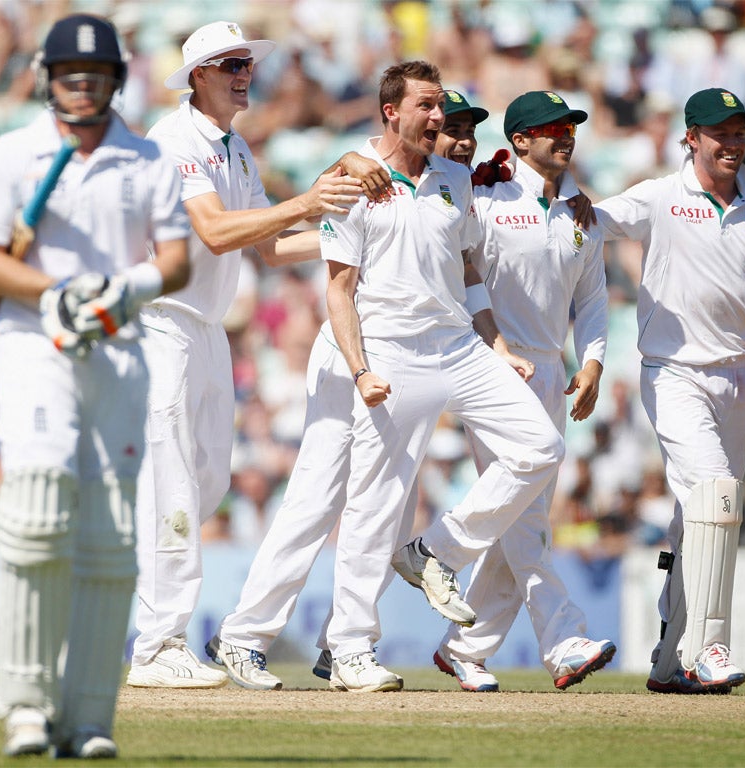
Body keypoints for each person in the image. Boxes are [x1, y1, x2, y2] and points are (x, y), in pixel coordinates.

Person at [202, 89, 491, 692]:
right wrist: (340, 170)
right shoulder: (366, 166)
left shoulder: (447, 183)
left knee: (361, 502)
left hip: (389, 357)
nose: (456, 136)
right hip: (354, 353)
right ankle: (310, 642)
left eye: (464, 127)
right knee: (339, 500)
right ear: (406, 117)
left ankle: (262, 637)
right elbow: (332, 187)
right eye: (447, 123)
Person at [0, 14, 191, 758]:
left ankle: (89, 716)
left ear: (116, 82)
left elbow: (177, 260)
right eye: (70, 78)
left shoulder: (147, 156)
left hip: (119, 349)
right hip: (36, 345)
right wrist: (52, 293)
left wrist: (128, 290)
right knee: (36, 507)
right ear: (46, 77)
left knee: (112, 536)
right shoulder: (14, 153)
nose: (82, 89)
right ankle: (26, 706)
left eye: (95, 79)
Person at [127, 20, 372, 690]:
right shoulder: (174, 141)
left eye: (247, 63)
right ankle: (157, 644)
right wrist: (309, 200)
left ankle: (148, 598)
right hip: (162, 325)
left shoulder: (234, 150)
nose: (244, 73)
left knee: (205, 485)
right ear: (198, 74)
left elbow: (267, 245)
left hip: (206, 332)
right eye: (230, 63)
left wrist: (355, 235)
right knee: (173, 485)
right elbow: (211, 230)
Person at [322, 60, 565, 692]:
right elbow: (340, 291)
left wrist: (498, 345)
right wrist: (361, 370)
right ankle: (349, 650)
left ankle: (435, 552)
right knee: (374, 503)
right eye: (427, 106)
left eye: (440, 107)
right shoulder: (354, 180)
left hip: (458, 345)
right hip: (393, 353)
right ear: (391, 113)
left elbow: (469, 271)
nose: (439, 117)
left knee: (540, 448)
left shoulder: (455, 179)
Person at [595, 87, 745, 694]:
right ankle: (708, 648)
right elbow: (586, 220)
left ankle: (667, 658)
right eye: (719, 134)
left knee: (698, 521)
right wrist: (517, 192)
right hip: (673, 371)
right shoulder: (659, 197)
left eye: (739, 133)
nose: (731, 144)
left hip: (738, 377)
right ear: (691, 137)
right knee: (716, 495)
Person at [434, 90, 616, 693]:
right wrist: (489, 350)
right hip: (493, 365)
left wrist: (590, 363)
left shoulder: (578, 212)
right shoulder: (485, 196)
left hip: (548, 367)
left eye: (571, 128)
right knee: (529, 520)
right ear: (519, 140)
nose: (565, 136)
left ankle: (465, 647)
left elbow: (591, 299)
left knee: (522, 516)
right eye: (552, 129)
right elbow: (463, 276)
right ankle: (564, 642)